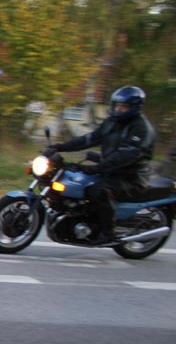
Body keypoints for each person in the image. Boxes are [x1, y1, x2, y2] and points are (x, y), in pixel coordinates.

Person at [43, 85, 156, 244]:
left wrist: (97, 168)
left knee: (98, 190)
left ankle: (107, 232)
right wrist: (60, 147)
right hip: (111, 171)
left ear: (134, 107)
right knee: (76, 181)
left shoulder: (141, 129)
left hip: (131, 177)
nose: (119, 109)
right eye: (117, 105)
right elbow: (89, 139)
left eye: (123, 106)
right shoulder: (112, 122)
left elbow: (124, 157)